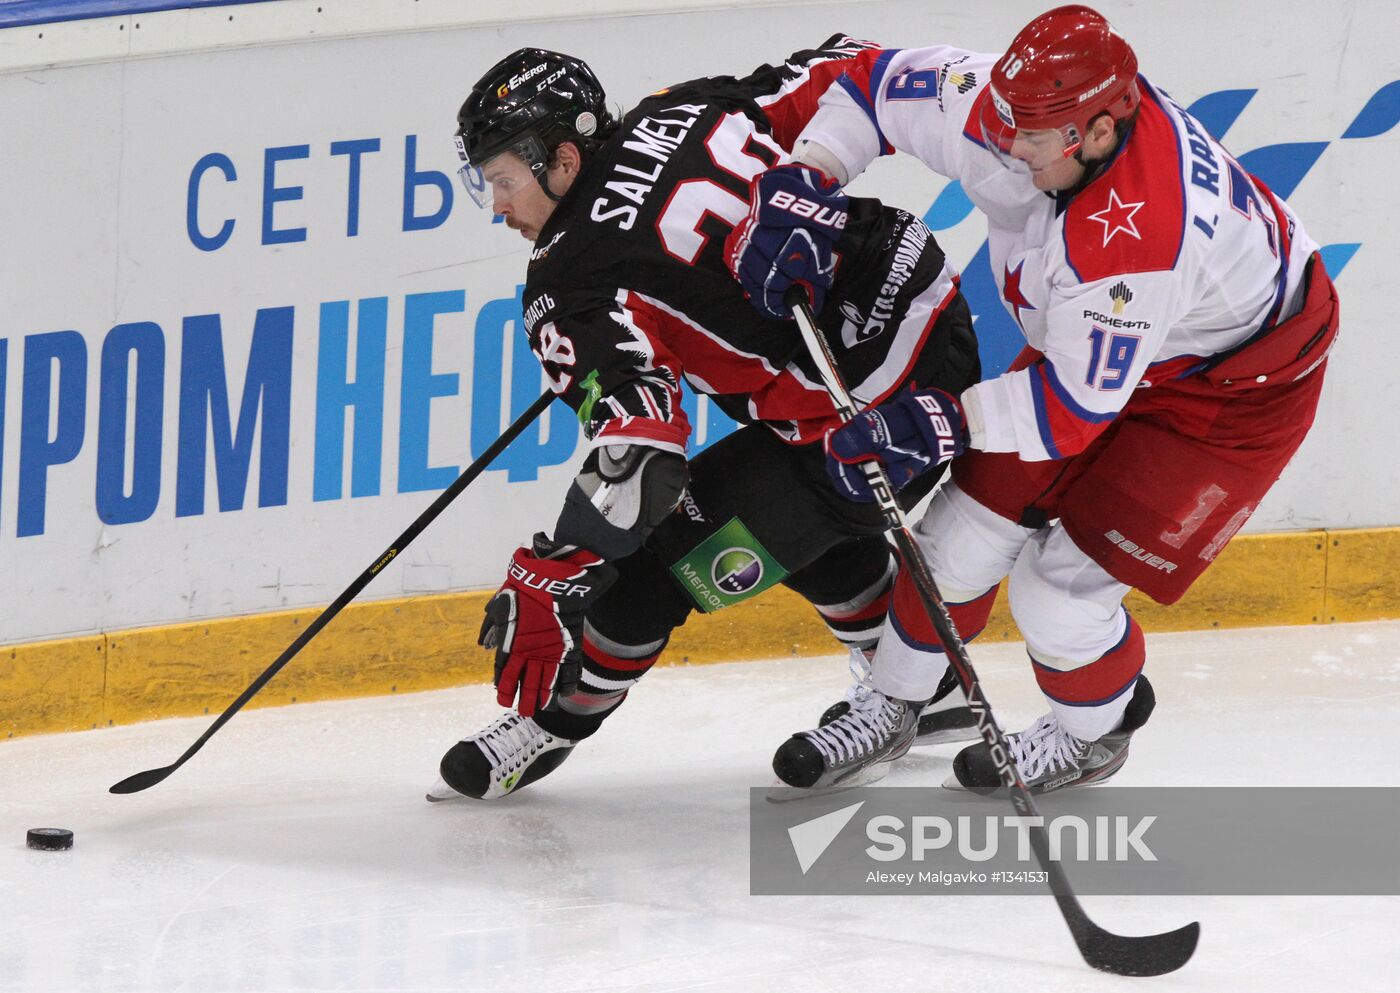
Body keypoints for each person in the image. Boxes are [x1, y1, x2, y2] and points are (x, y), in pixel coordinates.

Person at [728, 5, 1339, 792]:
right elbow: (866, 85)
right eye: (1007, 123)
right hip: (1097, 347)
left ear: (1101, 132)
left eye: (1035, 138)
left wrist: (941, 420)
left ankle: (1096, 730)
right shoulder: (1012, 111)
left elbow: (1072, 409)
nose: (1009, 147)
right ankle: (893, 701)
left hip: (1232, 396)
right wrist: (805, 179)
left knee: (1058, 598)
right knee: (951, 543)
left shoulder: (1139, 242)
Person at [429, 39, 983, 801]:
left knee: (648, 571)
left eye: (502, 180)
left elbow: (645, 459)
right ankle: (928, 679)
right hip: (931, 308)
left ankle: (554, 719)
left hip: (867, 424)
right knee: (773, 514)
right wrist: (809, 184)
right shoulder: (676, 107)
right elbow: (849, 67)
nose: (497, 208)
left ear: (561, 157)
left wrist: (564, 563)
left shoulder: (569, 279)